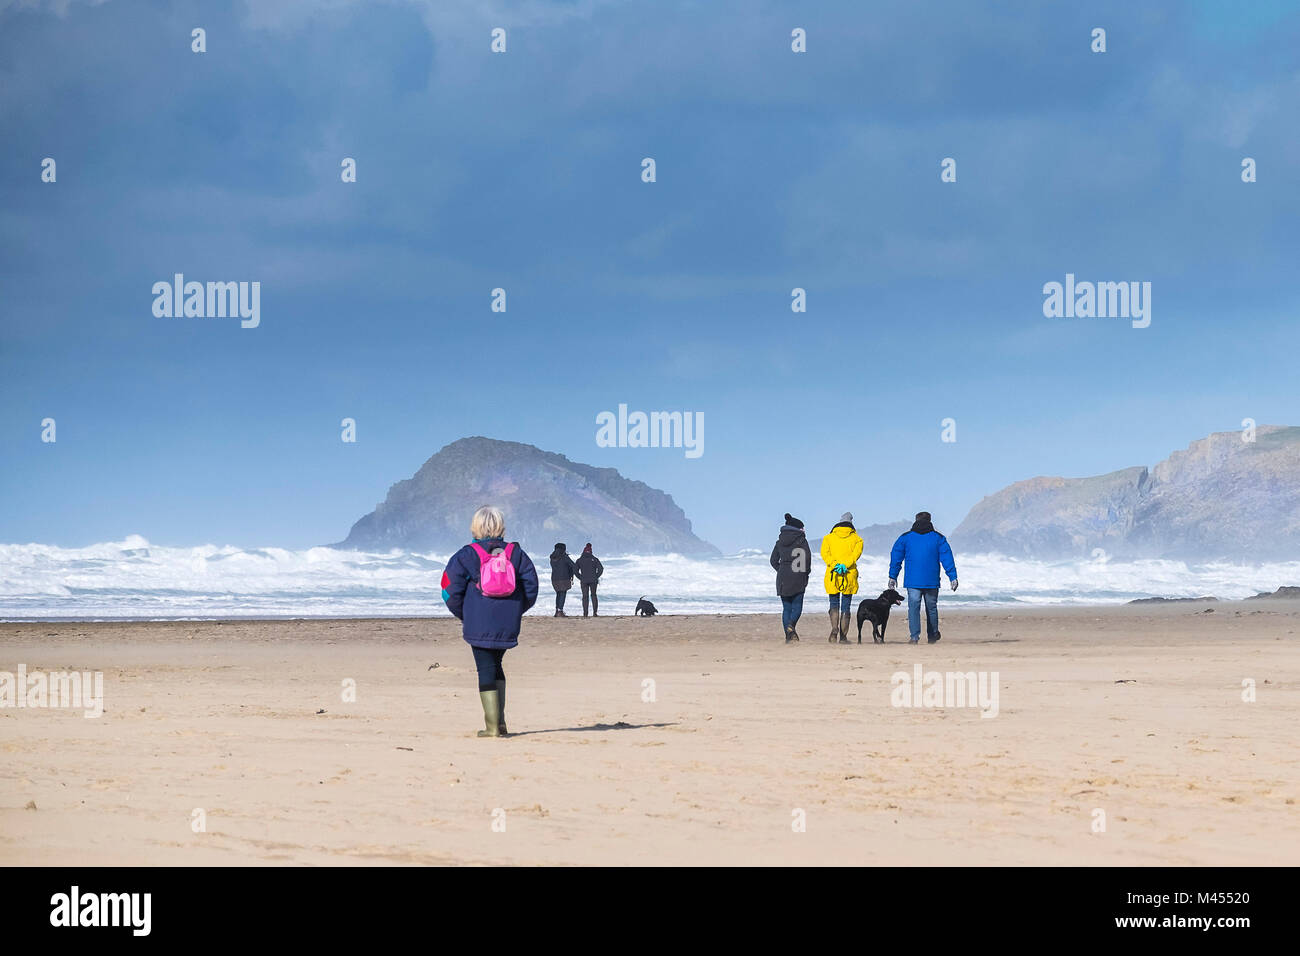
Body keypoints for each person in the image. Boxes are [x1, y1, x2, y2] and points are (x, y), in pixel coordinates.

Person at [441, 506, 538, 736]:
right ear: (501, 527)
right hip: (508, 622)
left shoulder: (466, 555)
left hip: (478, 622)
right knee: (496, 665)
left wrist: (465, 613)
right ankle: (500, 723)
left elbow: (448, 588)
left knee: (485, 667)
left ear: (475, 527)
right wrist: (515, 609)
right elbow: (531, 587)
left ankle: (492, 727)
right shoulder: (516, 554)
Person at [888, 511, 958, 644]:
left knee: (913, 607)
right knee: (931, 608)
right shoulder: (938, 538)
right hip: (931, 581)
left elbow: (896, 557)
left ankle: (914, 637)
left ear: (915, 520)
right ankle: (932, 636)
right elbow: (947, 558)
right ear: (930, 520)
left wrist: (893, 576)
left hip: (913, 581)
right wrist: (952, 577)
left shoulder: (905, 538)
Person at [820, 512, 863, 644]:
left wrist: (836, 565)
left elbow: (825, 555)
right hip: (848, 575)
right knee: (846, 606)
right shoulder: (857, 539)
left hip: (833, 575)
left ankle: (834, 631)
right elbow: (855, 556)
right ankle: (843, 637)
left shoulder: (828, 538)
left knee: (833, 604)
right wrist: (844, 566)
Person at [770, 512, 810, 644]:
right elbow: (807, 559)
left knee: (786, 608)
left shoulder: (779, 541)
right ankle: (791, 626)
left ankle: (788, 637)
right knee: (797, 606)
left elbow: (773, 560)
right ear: (798, 528)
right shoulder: (801, 540)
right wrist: (805, 573)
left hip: (782, 578)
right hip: (798, 576)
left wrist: (781, 569)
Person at [573, 542, 604, 616]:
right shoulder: (595, 559)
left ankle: (585, 613)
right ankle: (595, 613)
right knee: (593, 595)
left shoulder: (579, 560)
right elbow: (601, 569)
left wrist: (580, 577)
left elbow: (575, 570)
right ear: (591, 551)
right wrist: (596, 576)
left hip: (584, 580)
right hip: (593, 580)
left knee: (585, 596)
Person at [548, 542, 576, 617]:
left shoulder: (552, 558)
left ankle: (557, 611)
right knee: (563, 593)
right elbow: (573, 565)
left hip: (554, 579)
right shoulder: (564, 557)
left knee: (558, 594)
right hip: (564, 578)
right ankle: (560, 611)